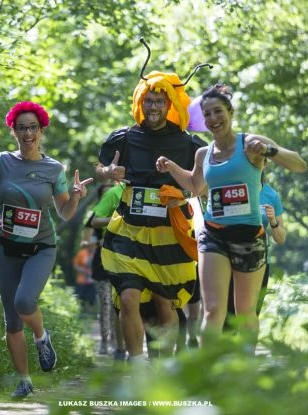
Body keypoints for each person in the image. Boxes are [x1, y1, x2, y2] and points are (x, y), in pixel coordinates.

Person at [0, 102, 93, 398]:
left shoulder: (53, 169)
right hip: (7, 247)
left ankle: (41, 337)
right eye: (22, 128)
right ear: (13, 131)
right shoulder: (1, 162)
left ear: (41, 131)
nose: (28, 133)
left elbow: (64, 212)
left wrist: (76, 197)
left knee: (25, 302)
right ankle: (25, 381)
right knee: (11, 321)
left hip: (41, 247)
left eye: (33, 128)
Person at [156, 85, 306, 351]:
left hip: (249, 236)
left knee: (245, 312)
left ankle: (243, 374)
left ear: (230, 112)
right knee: (212, 311)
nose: (213, 118)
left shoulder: (249, 144)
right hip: (214, 235)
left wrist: (269, 151)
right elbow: (196, 187)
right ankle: (207, 373)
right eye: (207, 114)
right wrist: (170, 166)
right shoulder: (203, 154)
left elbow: (298, 164)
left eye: (218, 111)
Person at [96, 70, 207, 363]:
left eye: (159, 101)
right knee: (129, 298)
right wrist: (107, 173)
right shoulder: (124, 138)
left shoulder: (188, 144)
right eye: (149, 101)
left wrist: (181, 193)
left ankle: (162, 369)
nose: (154, 107)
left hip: (170, 232)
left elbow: (201, 185)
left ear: (170, 104)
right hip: (129, 231)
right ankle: (137, 367)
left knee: (165, 306)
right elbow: (100, 169)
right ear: (140, 103)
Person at [226, 163, 286, 329]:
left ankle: (246, 354)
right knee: (229, 316)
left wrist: (273, 221)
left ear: (263, 165)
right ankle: (227, 353)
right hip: (230, 259)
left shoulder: (271, 195)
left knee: (250, 314)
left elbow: (281, 239)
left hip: (259, 261)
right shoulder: (232, 190)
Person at [87, 182, 126, 357]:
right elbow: (87, 235)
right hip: (102, 258)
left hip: (124, 258)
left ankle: (118, 342)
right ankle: (104, 340)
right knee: (105, 303)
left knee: (119, 303)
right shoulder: (96, 214)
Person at [73, 240, 97, 315]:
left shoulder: (97, 254)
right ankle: (79, 313)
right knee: (80, 296)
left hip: (93, 281)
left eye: (94, 245)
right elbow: (75, 264)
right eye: (91, 245)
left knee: (91, 298)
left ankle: (89, 314)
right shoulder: (82, 253)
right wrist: (82, 270)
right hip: (82, 279)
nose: (93, 247)